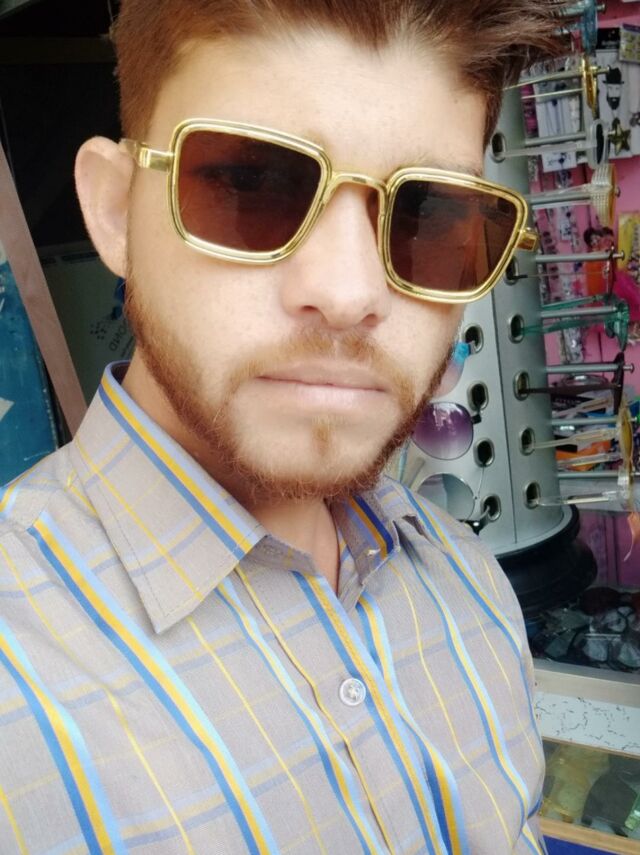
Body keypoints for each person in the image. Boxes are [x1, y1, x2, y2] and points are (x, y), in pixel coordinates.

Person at [0, 2, 572, 852]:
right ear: (117, 210)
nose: (347, 293)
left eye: (429, 217)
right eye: (251, 185)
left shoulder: (468, 586)